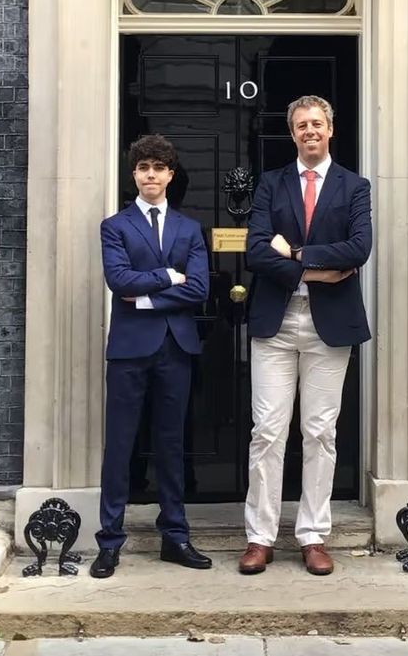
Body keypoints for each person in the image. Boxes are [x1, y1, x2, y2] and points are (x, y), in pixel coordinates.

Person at [240, 95, 372, 576]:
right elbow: (255, 251)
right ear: (292, 132)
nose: (309, 131)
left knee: (320, 432)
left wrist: (293, 253)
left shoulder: (354, 186)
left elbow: (359, 248)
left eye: (317, 123)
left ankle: (314, 535)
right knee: (268, 432)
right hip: (276, 324)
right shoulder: (271, 184)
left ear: (330, 129)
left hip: (328, 327)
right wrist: (314, 269)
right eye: (301, 125)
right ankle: (260, 536)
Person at [91, 134, 213, 579]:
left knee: (171, 445)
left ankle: (175, 536)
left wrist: (146, 299)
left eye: (158, 168)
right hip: (129, 351)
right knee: (120, 445)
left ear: (170, 175)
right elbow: (119, 280)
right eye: (143, 167)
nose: (151, 175)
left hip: (175, 347)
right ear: (134, 174)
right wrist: (166, 276)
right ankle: (109, 541)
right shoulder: (115, 226)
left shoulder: (188, 228)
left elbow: (199, 289)